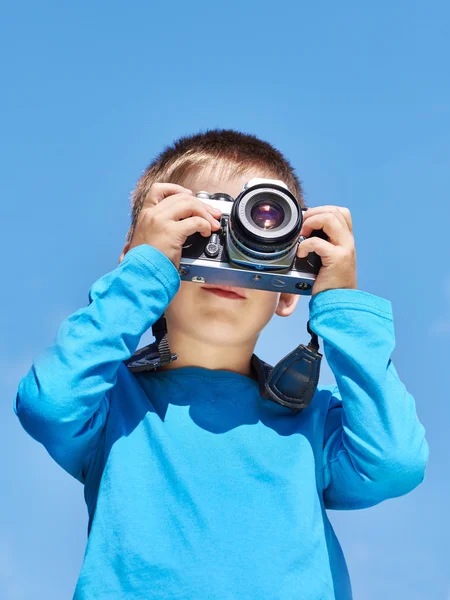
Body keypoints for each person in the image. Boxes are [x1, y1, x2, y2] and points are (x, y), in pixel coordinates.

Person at [13, 128, 428, 599]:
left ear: (291, 288)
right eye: (201, 226)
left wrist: (342, 304)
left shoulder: (315, 421)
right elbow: (50, 404)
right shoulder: (108, 406)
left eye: (261, 233)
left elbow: (395, 462)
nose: (233, 248)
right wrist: (142, 275)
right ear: (145, 259)